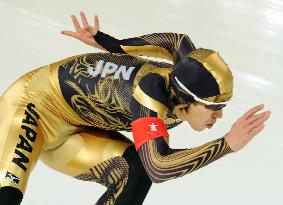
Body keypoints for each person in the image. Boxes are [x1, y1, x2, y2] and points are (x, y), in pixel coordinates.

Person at [0, 11, 271, 205]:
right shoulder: (150, 92)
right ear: (189, 100)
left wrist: (110, 43)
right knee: (8, 195)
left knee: (135, 172)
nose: (220, 114)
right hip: (32, 108)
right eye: (214, 106)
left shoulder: (187, 68)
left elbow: (176, 40)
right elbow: (159, 167)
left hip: (77, 130)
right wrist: (226, 144)